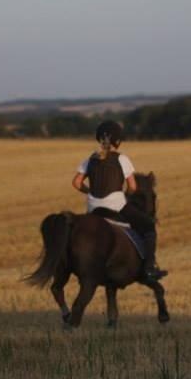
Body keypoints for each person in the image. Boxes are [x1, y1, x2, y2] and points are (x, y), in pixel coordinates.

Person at [72, 120, 166, 281]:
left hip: (93, 208)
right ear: (118, 141)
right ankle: (149, 268)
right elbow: (133, 187)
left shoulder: (90, 160)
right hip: (117, 206)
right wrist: (126, 195)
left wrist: (90, 191)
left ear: (99, 139)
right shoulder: (122, 159)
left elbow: (76, 183)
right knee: (149, 226)